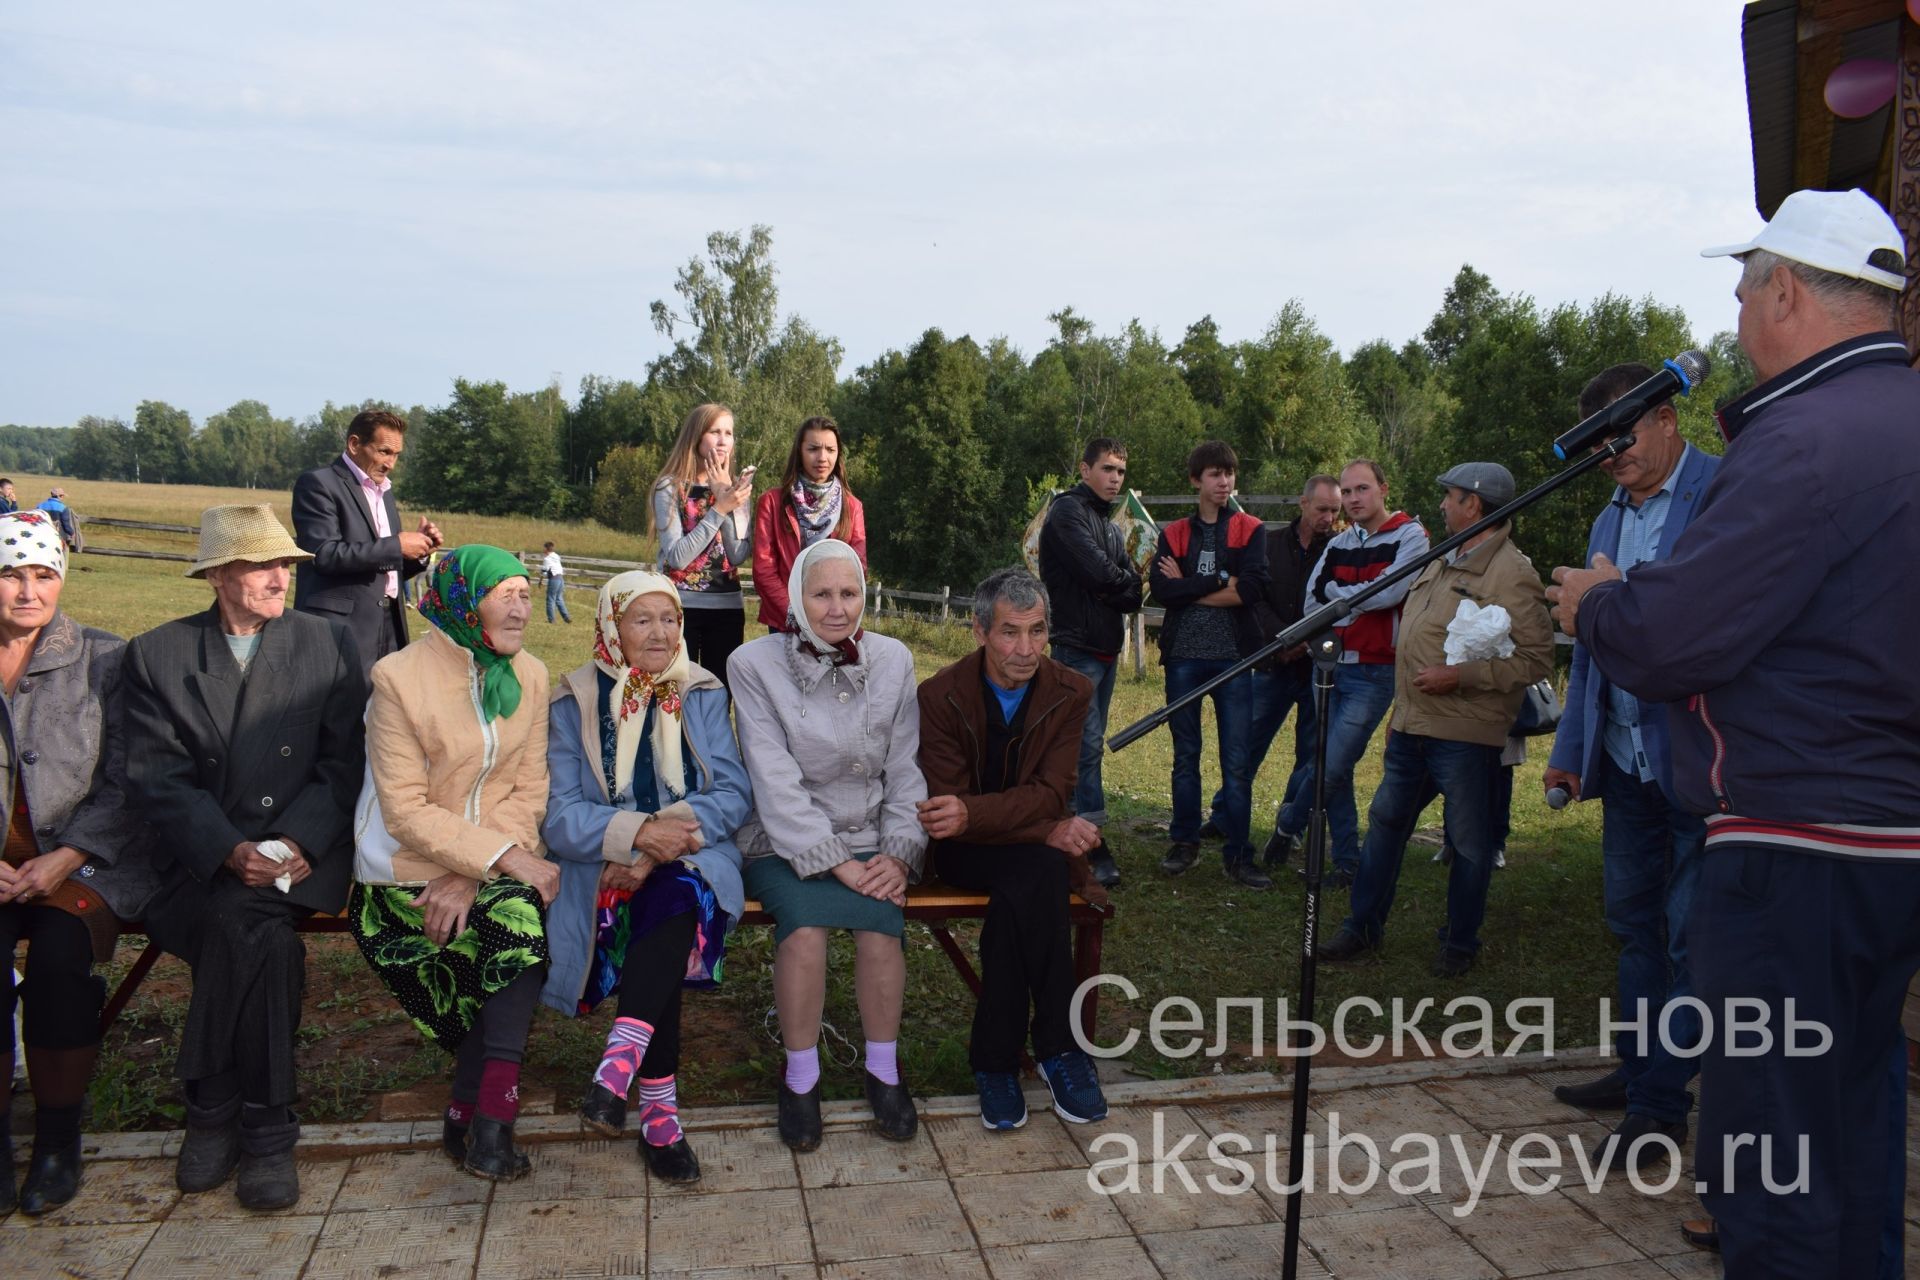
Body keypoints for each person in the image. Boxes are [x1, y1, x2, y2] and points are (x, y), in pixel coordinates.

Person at [1549, 188, 1920, 1279]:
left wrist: (1600, 603)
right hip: (1887, 836)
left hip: (1799, 837)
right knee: (1856, 1120)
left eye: (1745, 287)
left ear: (1789, 291)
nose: (1737, 312)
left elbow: (1679, 638)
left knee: (1770, 1156)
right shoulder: (1896, 417)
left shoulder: (1805, 435)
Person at [121, 505, 367, 1211]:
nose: (280, 578)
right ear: (221, 575)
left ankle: (212, 1114)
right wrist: (230, 851)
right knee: (261, 939)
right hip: (199, 865)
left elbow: (345, 761)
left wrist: (292, 844)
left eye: (286, 565)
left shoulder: (327, 644)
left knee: (246, 917)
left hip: (301, 854)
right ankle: (262, 1129)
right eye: (263, 565)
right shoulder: (159, 655)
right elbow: (156, 780)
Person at [1542, 362, 1720, 1177]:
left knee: (1690, 940)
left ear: (1668, 421)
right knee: (1634, 929)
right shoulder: (1608, 516)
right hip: (1625, 760)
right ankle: (1638, 1068)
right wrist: (1572, 753)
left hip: (1699, 764)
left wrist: (1622, 598)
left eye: (1623, 436)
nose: (1612, 454)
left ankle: (1659, 1108)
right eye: (1600, 444)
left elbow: (1710, 628)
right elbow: (1589, 653)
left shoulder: (1724, 492)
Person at [351, 546, 558, 1182]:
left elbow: (528, 791)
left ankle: (486, 1120)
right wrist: (494, 858)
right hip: (402, 874)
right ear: (465, 600)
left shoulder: (533, 676)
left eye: (527, 594)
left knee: (516, 925)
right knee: (496, 948)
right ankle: (474, 1114)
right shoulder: (398, 679)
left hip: (487, 869)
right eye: (506, 594)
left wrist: (477, 868)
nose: (522, 608)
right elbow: (406, 810)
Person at [541, 569, 750, 1185]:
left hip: (690, 852)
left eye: (670, 619)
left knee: (677, 891)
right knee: (667, 909)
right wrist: (632, 837)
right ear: (611, 626)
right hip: (600, 863)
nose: (659, 634)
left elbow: (733, 792)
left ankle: (618, 1071)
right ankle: (659, 1115)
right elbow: (560, 814)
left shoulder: (703, 689)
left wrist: (659, 843)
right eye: (642, 619)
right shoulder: (574, 698)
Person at [732, 540, 928, 1151]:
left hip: (872, 835)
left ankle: (883, 1072)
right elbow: (773, 780)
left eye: (849, 593)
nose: (837, 608)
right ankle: (801, 1078)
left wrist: (898, 852)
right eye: (821, 594)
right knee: (806, 931)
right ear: (795, 598)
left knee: (880, 928)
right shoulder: (754, 665)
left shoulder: (893, 660)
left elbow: (906, 768)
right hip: (784, 840)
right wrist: (835, 863)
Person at [1320, 463, 1550, 977]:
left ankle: (1460, 944)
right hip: (1412, 726)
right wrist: (1400, 711)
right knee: (1383, 826)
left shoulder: (1512, 572)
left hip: (1465, 734)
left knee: (1469, 843)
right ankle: (1361, 926)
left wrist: (1461, 675)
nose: (1442, 505)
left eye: (1450, 496)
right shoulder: (1444, 556)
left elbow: (1535, 659)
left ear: (1474, 503)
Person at [0, 511, 155, 1215]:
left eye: (42, 575)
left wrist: (69, 853)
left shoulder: (102, 657)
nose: (27, 592)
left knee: (63, 963)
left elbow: (130, 775)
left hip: (83, 860)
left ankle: (58, 1142)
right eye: (10, 574)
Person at [917, 567, 1108, 1131]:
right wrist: (1042, 825)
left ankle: (997, 1063)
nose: (1025, 649)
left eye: (1037, 631)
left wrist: (1021, 820)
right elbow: (949, 814)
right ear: (979, 631)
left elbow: (1054, 792)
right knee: (1043, 868)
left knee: (1029, 883)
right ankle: (1061, 1050)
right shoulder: (939, 695)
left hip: (1023, 853)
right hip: (959, 854)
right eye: (1010, 632)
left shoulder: (1072, 691)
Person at [1268, 459, 1429, 887]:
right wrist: (1351, 599)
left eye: (1362, 489)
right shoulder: (1339, 543)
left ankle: (1286, 826)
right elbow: (1311, 602)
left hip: (1375, 670)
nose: (1354, 499)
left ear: (1383, 489)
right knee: (1331, 763)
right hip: (1330, 665)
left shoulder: (1411, 535)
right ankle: (1346, 859)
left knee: (1331, 762)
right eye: (1348, 491)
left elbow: (1389, 592)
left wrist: (1340, 599)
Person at [1202, 474, 1341, 867]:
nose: (1328, 517)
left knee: (1311, 754)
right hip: (1272, 661)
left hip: (1317, 668)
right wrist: (1281, 640)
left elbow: (1341, 604)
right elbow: (1254, 597)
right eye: (1322, 509)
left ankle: (1291, 825)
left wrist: (1308, 641)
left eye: (1335, 510)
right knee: (1247, 745)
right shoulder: (1270, 542)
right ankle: (1225, 815)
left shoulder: (1339, 550)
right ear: (1303, 503)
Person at [1150, 441, 1271, 887]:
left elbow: (1253, 590)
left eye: (1230, 474)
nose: (1225, 482)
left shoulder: (1251, 529)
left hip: (1235, 660)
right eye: (1216, 474)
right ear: (1196, 480)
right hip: (1183, 657)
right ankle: (1185, 843)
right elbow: (1162, 592)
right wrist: (1221, 580)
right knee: (1186, 756)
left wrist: (1191, 585)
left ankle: (1238, 854)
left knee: (1236, 761)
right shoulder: (1175, 533)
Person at [1038, 436, 1140, 890]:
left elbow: (1134, 592)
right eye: (1107, 469)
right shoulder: (1066, 512)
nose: (1115, 478)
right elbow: (1101, 574)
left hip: (1106, 649)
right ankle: (1090, 844)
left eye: (1120, 471)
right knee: (1084, 745)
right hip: (1076, 646)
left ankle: (1078, 831)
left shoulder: (1112, 527)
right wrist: (1118, 581)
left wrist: (1117, 583)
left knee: (1086, 747)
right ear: (1085, 470)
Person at [292, 408, 444, 674]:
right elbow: (324, 555)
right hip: (338, 630)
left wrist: (420, 551)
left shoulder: (384, 491)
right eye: (384, 451)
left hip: (390, 625)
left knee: (384, 712)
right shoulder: (317, 484)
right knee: (342, 714)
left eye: (396, 455)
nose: (391, 463)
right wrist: (397, 545)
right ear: (354, 444)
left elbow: (382, 564)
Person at [652, 403, 754, 682]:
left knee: (719, 698)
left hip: (727, 610)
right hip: (678, 608)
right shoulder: (669, 488)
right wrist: (719, 508)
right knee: (674, 699)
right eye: (714, 431)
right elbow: (677, 557)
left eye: (729, 433)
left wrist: (727, 497)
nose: (723, 440)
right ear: (696, 436)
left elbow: (736, 555)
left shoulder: (739, 489)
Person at [752, 415, 869, 634]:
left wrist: (833, 611)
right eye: (813, 448)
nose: (822, 457)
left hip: (834, 622)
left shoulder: (852, 506)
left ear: (838, 454)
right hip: (785, 622)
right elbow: (764, 570)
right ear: (799, 452)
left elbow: (858, 569)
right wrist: (796, 612)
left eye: (830, 450)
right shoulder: (772, 502)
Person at [540, 541, 572, 624]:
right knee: (559, 598)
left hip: (553, 579)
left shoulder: (547, 559)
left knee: (550, 599)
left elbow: (544, 571)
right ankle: (566, 617)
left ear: (546, 549)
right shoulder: (557, 556)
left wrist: (540, 580)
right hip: (561, 579)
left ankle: (551, 619)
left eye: (544, 548)